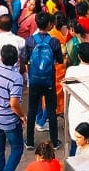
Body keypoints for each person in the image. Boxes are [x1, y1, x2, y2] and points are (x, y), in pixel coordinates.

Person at [23, 11, 64, 151]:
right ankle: (54, 141)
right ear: (49, 25)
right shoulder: (54, 42)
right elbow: (60, 60)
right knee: (51, 111)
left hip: (34, 79)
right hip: (49, 81)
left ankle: (29, 141)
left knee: (32, 110)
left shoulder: (29, 41)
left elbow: (25, 58)